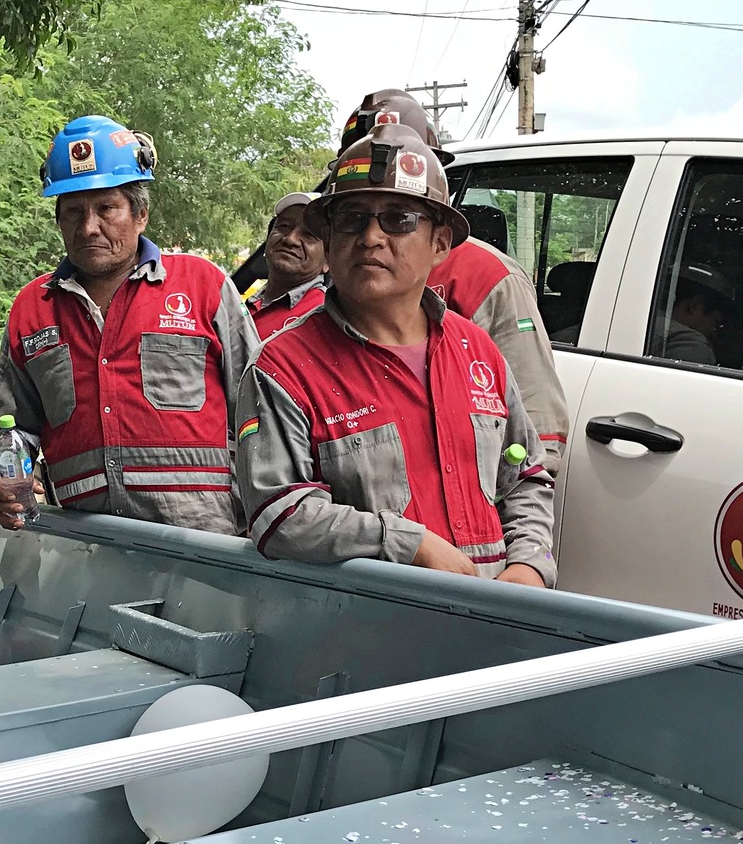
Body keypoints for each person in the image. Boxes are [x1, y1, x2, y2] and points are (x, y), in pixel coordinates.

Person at [235, 122, 556, 585]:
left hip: (495, 620)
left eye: (398, 220)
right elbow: (279, 513)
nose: (370, 237)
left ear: (440, 243)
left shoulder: (476, 351)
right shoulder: (283, 367)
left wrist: (528, 564)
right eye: (351, 219)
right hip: (370, 629)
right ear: (329, 242)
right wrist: (408, 543)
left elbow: (525, 476)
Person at [0, 116, 259, 535]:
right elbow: (12, 424)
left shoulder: (203, 286)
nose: (88, 226)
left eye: (106, 208)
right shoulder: (32, 308)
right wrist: (5, 469)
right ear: (58, 221)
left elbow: (260, 408)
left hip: (205, 543)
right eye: (73, 211)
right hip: (84, 545)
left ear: (141, 214)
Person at [335, 90, 569, 466]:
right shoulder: (342, 265)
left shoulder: (489, 277)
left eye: (399, 214)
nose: (372, 236)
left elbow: (536, 426)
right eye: (355, 210)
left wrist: (510, 508)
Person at [245, 191, 326, 335]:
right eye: (284, 226)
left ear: (329, 260)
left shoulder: (326, 317)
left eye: (309, 234)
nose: (290, 239)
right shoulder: (241, 304)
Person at [655, 263, 734, 366]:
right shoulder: (689, 343)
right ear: (695, 305)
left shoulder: (639, 325)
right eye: (716, 322)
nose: (713, 333)